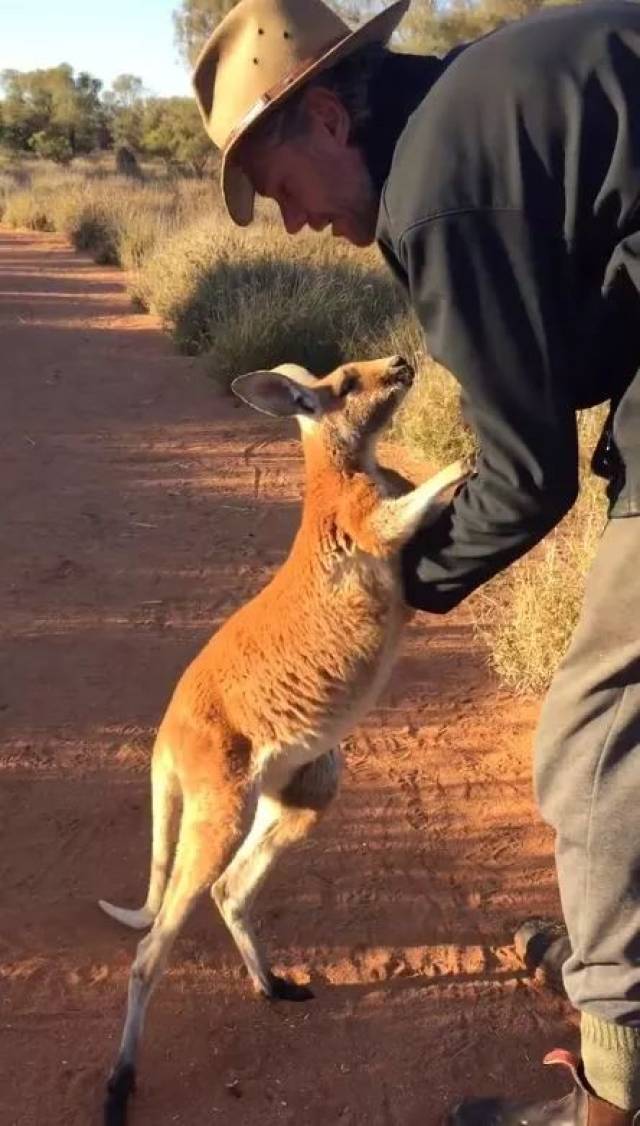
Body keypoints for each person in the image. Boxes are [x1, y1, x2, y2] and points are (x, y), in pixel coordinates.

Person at [192, 0, 640, 1121]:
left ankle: (612, 1095)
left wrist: (391, 588)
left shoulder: (445, 186)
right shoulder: (480, 106)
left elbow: (526, 471)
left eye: (279, 182)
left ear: (332, 118)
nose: (291, 224)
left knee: (592, 747)